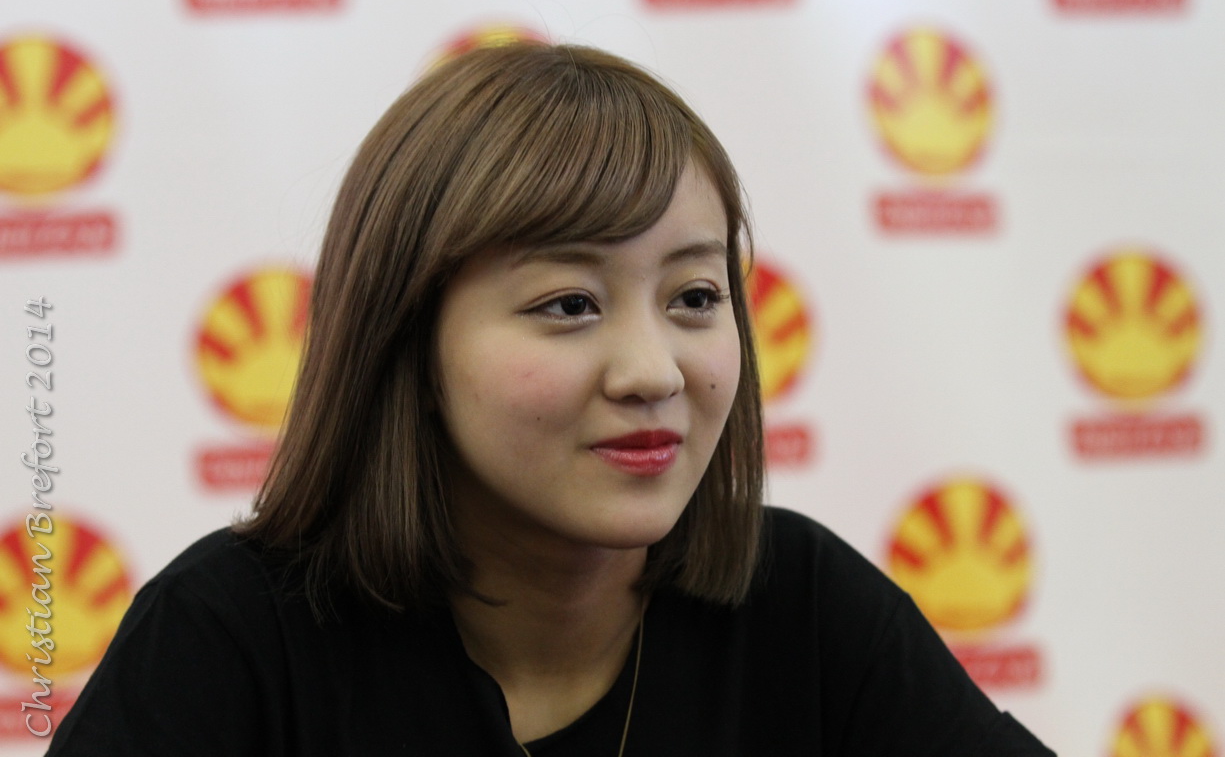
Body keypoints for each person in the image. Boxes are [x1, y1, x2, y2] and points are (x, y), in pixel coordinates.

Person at [47, 42, 1056, 756]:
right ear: (409, 344)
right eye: (569, 304)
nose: (653, 371)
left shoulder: (801, 605)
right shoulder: (226, 639)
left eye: (694, 297)